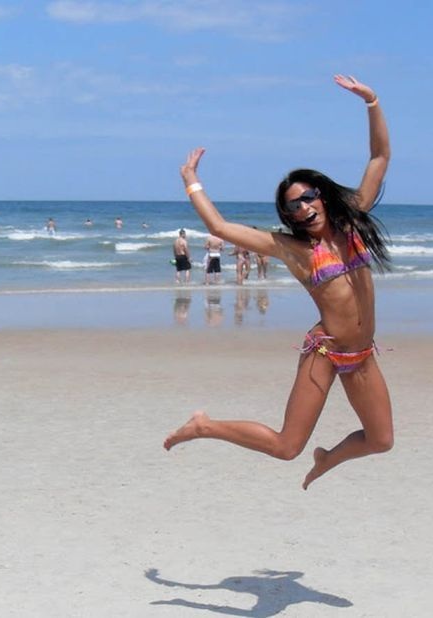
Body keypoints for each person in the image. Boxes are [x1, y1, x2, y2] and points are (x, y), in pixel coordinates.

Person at [164, 74, 393, 490]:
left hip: (362, 354)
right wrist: (191, 181)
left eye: (308, 197)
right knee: (287, 447)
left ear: (322, 196)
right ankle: (204, 426)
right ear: (288, 217)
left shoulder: (353, 221)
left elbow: (379, 157)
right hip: (326, 352)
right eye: (293, 206)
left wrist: (371, 102)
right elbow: (220, 227)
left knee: (381, 440)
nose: (303, 208)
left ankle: (328, 457)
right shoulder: (292, 249)